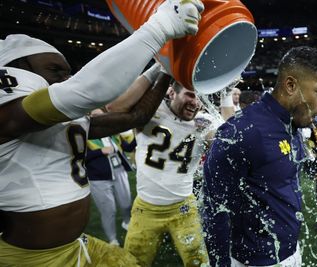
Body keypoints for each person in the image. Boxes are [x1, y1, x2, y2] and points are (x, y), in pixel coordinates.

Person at [0, 1, 204, 265]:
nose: (64, 78)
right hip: (30, 260)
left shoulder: (57, 121)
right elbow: (86, 91)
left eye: (66, 72)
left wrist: (163, 68)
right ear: (17, 70)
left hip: (76, 245)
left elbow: (135, 117)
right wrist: (158, 29)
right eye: (54, 71)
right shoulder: (9, 115)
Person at [202, 46, 317, 267]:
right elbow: (215, 211)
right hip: (255, 261)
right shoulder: (242, 132)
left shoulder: (291, 124)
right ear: (291, 85)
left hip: (290, 252)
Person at [108, 78, 235, 266]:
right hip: (146, 208)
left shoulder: (202, 123)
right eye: (190, 94)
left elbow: (230, 139)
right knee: (133, 261)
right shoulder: (150, 112)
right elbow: (115, 108)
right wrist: (160, 71)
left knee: (198, 262)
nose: (196, 102)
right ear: (171, 92)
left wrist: (227, 95)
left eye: (198, 97)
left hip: (184, 208)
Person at [86, 108, 136, 246]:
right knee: (109, 210)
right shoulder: (85, 134)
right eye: (95, 116)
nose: (100, 119)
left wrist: (138, 131)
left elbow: (128, 147)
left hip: (119, 171)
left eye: (102, 116)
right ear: (89, 118)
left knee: (126, 203)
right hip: (99, 178)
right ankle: (112, 238)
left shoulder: (113, 132)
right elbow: (80, 157)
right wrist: (100, 152)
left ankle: (127, 222)